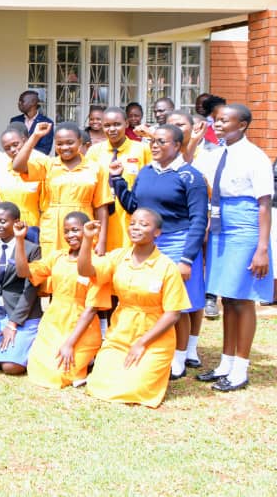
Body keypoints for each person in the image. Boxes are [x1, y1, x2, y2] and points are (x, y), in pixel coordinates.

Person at [110, 124, 208, 377]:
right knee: (152, 299)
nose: (154, 145)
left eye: (162, 142)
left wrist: (187, 259)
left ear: (177, 146)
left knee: (178, 304)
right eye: (152, 141)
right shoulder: (145, 172)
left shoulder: (190, 177)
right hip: (149, 244)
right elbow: (134, 206)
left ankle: (179, 357)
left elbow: (198, 219)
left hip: (178, 242)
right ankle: (157, 348)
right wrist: (118, 180)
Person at [193, 104, 273, 392]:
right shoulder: (217, 153)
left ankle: (240, 368)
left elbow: (264, 204)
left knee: (243, 298)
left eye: (225, 121)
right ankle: (225, 362)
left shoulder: (255, 156)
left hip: (245, 228)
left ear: (243, 125)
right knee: (227, 296)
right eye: (216, 120)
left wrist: (262, 248)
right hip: (220, 227)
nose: (218, 125)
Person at [80, 211, 190, 407]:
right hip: (120, 334)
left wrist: (141, 343)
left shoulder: (167, 267)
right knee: (98, 385)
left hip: (153, 340)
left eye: (143, 224)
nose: (136, 228)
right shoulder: (118, 256)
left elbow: (173, 314)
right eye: (133, 223)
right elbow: (85, 271)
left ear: (157, 232)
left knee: (134, 390)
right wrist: (87, 241)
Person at [14, 212, 108, 390]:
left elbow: (91, 309)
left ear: (88, 230)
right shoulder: (58, 256)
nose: (70, 235)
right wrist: (20, 240)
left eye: (75, 230)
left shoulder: (99, 263)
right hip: (53, 322)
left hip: (81, 327)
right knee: (36, 370)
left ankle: (86, 361)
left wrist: (69, 344)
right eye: (66, 231)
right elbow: (23, 272)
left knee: (58, 376)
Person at [13, 121, 112, 258]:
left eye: (70, 142)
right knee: (51, 270)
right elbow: (17, 166)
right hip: (53, 227)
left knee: (81, 271)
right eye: (59, 143)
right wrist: (35, 136)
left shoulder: (95, 168)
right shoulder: (48, 164)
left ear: (80, 141)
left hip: (82, 226)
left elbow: (101, 208)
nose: (64, 147)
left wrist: (102, 241)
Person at [0, 203, 42, 375]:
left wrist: (13, 324)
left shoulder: (32, 250)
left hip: (21, 316)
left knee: (12, 367)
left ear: (16, 222)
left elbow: (30, 290)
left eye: (3, 221)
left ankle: (29, 344)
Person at [85, 107, 151, 252]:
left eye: (117, 124)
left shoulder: (141, 149)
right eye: (107, 126)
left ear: (127, 124)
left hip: (131, 215)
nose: (112, 129)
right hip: (103, 216)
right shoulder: (94, 152)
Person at [0, 124, 42, 244]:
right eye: (7, 148)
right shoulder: (0, 164)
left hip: (30, 226)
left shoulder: (40, 161)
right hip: (3, 225)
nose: (12, 149)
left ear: (25, 141)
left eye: (15, 144)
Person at [9, 90, 54, 156]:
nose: (19, 103)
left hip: (36, 163)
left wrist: (24, 154)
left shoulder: (46, 123)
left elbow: (45, 149)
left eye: (22, 101)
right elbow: (11, 144)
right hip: (16, 162)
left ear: (33, 102)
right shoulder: (14, 121)